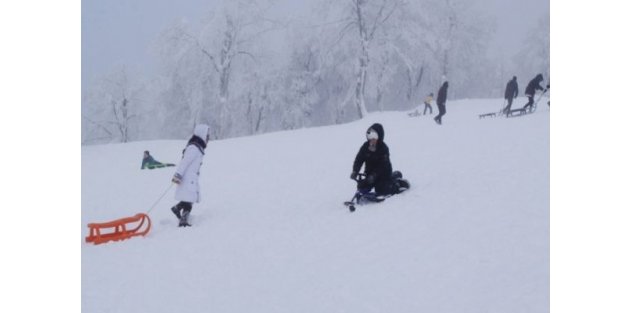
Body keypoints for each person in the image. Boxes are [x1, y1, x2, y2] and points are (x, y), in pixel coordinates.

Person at [170, 124, 210, 227]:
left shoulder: (197, 147)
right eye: (206, 136)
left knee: (189, 199)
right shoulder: (194, 148)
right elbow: (184, 162)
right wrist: (178, 175)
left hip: (191, 178)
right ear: (202, 134)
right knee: (189, 200)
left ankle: (177, 208)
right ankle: (183, 221)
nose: (208, 138)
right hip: (187, 178)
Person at [350, 123, 395, 196]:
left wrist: (374, 175)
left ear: (379, 136)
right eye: (370, 136)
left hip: (383, 174)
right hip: (369, 174)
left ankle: (396, 183)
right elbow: (359, 159)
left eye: (374, 136)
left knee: (381, 189)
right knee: (362, 187)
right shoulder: (365, 146)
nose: (372, 139)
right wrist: (355, 171)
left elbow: (383, 165)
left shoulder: (383, 148)